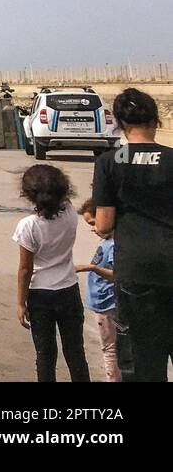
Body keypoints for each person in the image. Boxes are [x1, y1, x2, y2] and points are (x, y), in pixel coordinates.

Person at [92, 87, 173, 381]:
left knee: (141, 362)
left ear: (121, 125)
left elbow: (103, 224)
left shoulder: (109, 162)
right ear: (155, 121)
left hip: (135, 271)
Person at [14, 164, 89, 382]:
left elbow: (25, 269)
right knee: (75, 352)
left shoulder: (28, 226)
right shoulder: (70, 213)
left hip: (40, 294)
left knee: (45, 355)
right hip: (68, 288)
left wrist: (20, 302)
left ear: (29, 195)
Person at [75, 197, 120, 382]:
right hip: (103, 302)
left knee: (109, 348)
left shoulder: (114, 244)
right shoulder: (108, 240)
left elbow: (115, 274)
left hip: (107, 304)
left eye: (94, 223)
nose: (93, 228)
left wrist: (90, 268)